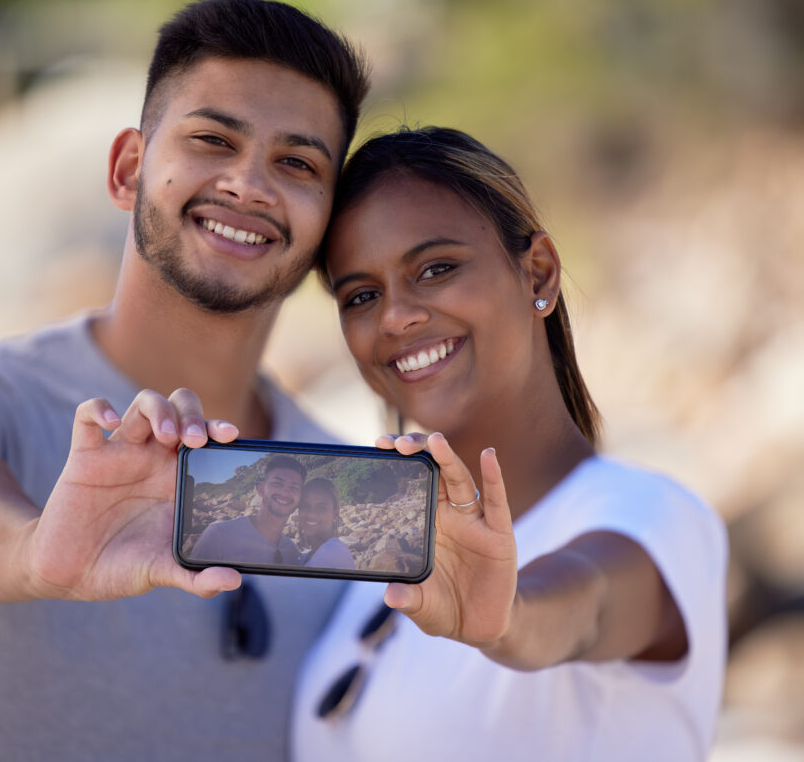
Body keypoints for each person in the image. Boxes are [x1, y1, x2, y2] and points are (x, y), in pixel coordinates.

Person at [0, 0, 369, 762]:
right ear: (128, 169)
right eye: (212, 139)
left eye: (297, 163)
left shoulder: (340, 490)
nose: (250, 184)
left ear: (326, 219)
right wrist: (31, 552)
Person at [292, 127, 727, 761]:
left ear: (538, 273)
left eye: (436, 269)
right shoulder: (377, 557)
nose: (395, 317)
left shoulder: (653, 516)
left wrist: (509, 617)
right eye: (361, 295)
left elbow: (586, 605)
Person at [190, 455, 306, 564]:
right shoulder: (219, 535)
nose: (285, 492)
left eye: (294, 487)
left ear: (300, 498)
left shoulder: (292, 552)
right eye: (277, 483)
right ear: (261, 489)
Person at [297, 477, 355, 569]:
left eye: (321, 508)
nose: (312, 514)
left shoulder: (334, 553)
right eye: (305, 506)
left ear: (335, 513)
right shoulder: (309, 554)